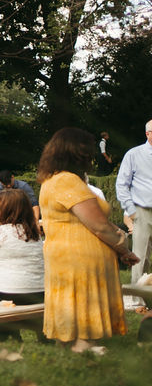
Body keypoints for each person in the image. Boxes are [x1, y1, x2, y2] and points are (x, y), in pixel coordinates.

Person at [39, 127, 137, 352]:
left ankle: (71, 343)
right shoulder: (68, 181)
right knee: (83, 300)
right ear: (77, 153)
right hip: (80, 256)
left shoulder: (51, 180)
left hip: (63, 253)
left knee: (68, 300)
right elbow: (99, 225)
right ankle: (84, 345)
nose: (92, 156)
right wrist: (124, 250)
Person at [116, 119, 152, 284]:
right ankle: (139, 298)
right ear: (148, 134)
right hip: (142, 210)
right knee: (140, 256)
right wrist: (131, 211)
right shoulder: (134, 154)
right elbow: (122, 184)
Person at [0, 170, 38, 234]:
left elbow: (34, 204)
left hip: (21, 217)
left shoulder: (24, 186)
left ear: (12, 177)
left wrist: (36, 221)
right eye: (5, 184)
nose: (8, 186)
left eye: (9, 182)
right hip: (2, 218)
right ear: (0, 181)